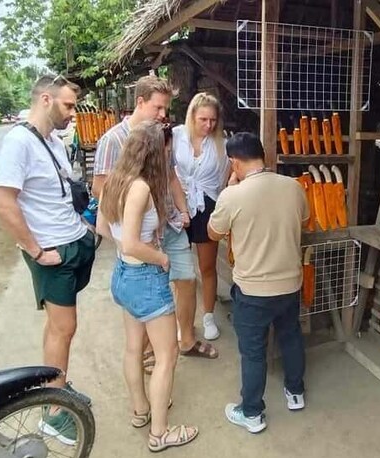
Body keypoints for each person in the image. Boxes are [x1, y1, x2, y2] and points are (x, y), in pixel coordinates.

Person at [0, 74, 94, 444]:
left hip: (69, 242)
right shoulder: (18, 143)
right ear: (46, 100)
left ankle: (57, 385)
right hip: (52, 252)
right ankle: (53, 412)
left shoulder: (51, 139)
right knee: (64, 328)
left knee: (58, 327)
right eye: (68, 106)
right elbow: (4, 205)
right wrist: (36, 250)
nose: (73, 113)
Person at [95, 120, 199, 452]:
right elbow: (130, 244)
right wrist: (160, 257)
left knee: (132, 348)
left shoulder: (115, 181)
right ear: (154, 153)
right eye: (166, 152)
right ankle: (160, 433)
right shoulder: (139, 188)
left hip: (124, 276)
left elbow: (101, 226)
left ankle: (141, 410)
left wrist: (138, 241)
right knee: (167, 356)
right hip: (144, 278)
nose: (169, 157)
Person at [93, 75, 203, 371]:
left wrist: (183, 210)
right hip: (140, 234)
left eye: (166, 109)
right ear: (139, 102)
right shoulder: (113, 140)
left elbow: (171, 176)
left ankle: (187, 340)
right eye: (158, 108)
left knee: (187, 280)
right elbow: (100, 189)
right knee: (148, 299)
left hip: (168, 222)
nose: (163, 115)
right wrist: (126, 232)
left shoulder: (162, 136)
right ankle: (147, 355)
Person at [207, 133, 308, 434]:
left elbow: (213, 233)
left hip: (253, 290)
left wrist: (228, 189)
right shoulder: (293, 186)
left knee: (253, 352)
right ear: (262, 157)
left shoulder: (233, 195)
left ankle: (252, 412)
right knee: (291, 338)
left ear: (235, 162)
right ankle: (296, 393)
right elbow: (303, 221)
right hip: (290, 283)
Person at [172, 92, 231, 349]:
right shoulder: (175, 137)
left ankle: (208, 315)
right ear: (192, 117)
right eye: (203, 119)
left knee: (207, 266)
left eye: (213, 120)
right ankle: (182, 319)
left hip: (207, 204)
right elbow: (167, 171)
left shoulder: (222, 143)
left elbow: (225, 178)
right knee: (180, 268)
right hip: (178, 204)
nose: (208, 125)